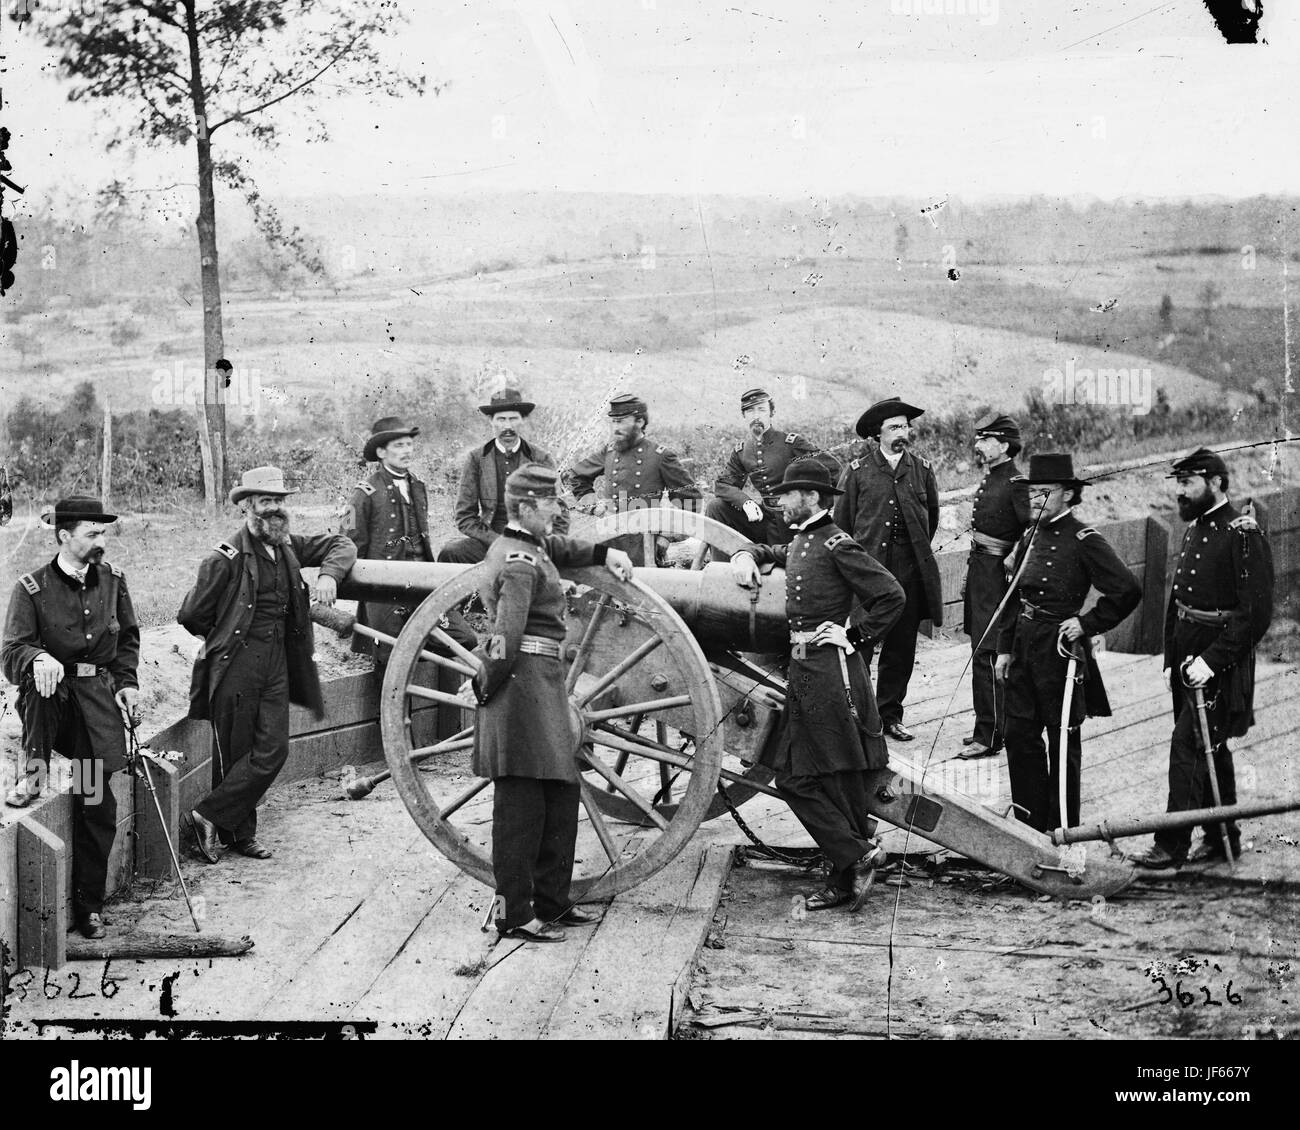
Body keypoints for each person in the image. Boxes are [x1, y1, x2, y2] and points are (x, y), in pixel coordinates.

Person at [458, 464, 634, 942]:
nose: (560, 510)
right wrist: (485, 685)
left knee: (560, 793)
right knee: (520, 807)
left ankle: (553, 902)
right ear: (527, 507)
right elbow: (504, 637)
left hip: (543, 685)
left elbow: (560, 548)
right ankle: (514, 914)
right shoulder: (518, 561)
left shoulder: (531, 547)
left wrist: (605, 551)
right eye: (552, 503)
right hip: (519, 687)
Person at [730, 458, 906, 911]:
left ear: (809, 497)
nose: (780, 501)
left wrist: (854, 635)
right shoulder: (805, 540)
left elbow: (891, 594)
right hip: (807, 672)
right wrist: (745, 553)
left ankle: (850, 866)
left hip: (831, 673)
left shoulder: (836, 543)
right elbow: (776, 553)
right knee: (806, 776)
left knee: (820, 778)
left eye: (787, 495)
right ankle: (852, 863)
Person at [179, 466, 356, 864]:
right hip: (236, 664)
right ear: (247, 507)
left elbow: (342, 543)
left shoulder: (288, 544)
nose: (275, 509)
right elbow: (190, 614)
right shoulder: (224, 558)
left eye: (279, 501)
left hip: (277, 663)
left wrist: (329, 575)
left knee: (273, 750)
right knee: (235, 750)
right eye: (266, 501)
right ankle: (239, 835)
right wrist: (227, 634)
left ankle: (206, 815)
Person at [1, 496, 140, 939]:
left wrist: (127, 683)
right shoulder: (32, 587)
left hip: (95, 715)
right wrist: (37, 656)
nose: (102, 541)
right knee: (41, 679)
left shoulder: (113, 582)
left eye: (103, 533)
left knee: (96, 800)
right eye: (92, 534)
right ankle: (33, 773)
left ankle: (89, 907)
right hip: (51, 710)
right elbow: (10, 653)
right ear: (64, 536)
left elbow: (128, 643)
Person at [1133, 448, 1273, 869]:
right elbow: (1182, 600)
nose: (1180, 491)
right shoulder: (1196, 527)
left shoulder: (1241, 533)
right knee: (1209, 745)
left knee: (1188, 745)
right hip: (1187, 657)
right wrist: (1173, 658)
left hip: (1220, 660)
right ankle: (1221, 834)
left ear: (1215, 483)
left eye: (1188, 482)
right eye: (1178, 482)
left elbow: (1256, 614)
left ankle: (1171, 845)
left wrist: (1211, 661)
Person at [994, 454, 1141, 834]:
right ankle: (1029, 832)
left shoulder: (1084, 539)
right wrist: (1005, 648)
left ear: (1069, 493)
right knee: (1019, 736)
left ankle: (1062, 836)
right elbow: (1013, 596)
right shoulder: (1029, 535)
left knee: (1062, 743)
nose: (1036, 499)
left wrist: (1087, 623)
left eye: (1045, 492)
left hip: (1058, 651)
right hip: (1024, 646)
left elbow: (1126, 590)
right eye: (1032, 493)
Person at [834, 396, 941, 742]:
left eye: (905, 426)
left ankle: (890, 715)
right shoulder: (856, 473)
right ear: (876, 434)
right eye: (894, 427)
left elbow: (932, 521)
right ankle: (859, 717)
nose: (903, 432)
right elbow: (842, 527)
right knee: (861, 645)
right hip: (869, 578)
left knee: (901, 648)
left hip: (909, 573)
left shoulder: (922, 471)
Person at [958, 412, 1031, 759]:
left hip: (996, 578)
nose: (978, 445)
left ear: (1003, 446)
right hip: (980, 572)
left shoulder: (1016, 482)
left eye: (985, 440)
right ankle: (987, 727)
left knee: (988, 653)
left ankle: (990, 736)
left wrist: (1013, 555)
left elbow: (1032, 529)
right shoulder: (993, 478)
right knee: (980, 649)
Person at [562, 393, 702, 565]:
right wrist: (595, 508)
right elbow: (576, 476)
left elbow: (691, 499)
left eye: (621, 421)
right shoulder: (610, 451)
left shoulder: (660, 456)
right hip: (608, 535)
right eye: (613, 421)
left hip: (643, 543)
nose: (615, 428)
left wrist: (666, 536)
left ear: (640, 422)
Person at [705, 387, 840, 561]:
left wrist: (822, 507)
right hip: (763, 519)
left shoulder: (790, 443)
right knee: (716, 507)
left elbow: (834, 470)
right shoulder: (742, 450)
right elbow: (723, 484)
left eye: (761, 409)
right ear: (744, 416)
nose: (756, 416)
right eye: (750, 411)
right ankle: (723, 571)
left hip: (793, 517)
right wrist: (745, 502)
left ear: (771, 413)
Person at [438, 388, 568, 565]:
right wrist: (498, 542)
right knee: (451, 552)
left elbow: (559, 511)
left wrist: (549, 546)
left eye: (513, 419)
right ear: (491, 421)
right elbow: (465, 517)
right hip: (490, 542)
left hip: (531, 544)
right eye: (501, 419)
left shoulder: (541, 458)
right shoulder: (476, 459)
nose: (508, 426)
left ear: (523, 420)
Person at [344, 417, 435, 662]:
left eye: (409, 445)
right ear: (381, 452)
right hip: (385, 586)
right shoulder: (364, 493)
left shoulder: (418, 485)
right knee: (389, 652)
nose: (407, 451)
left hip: (423, 581)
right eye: (399, 446)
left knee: (461, 639)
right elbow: (348, 543)